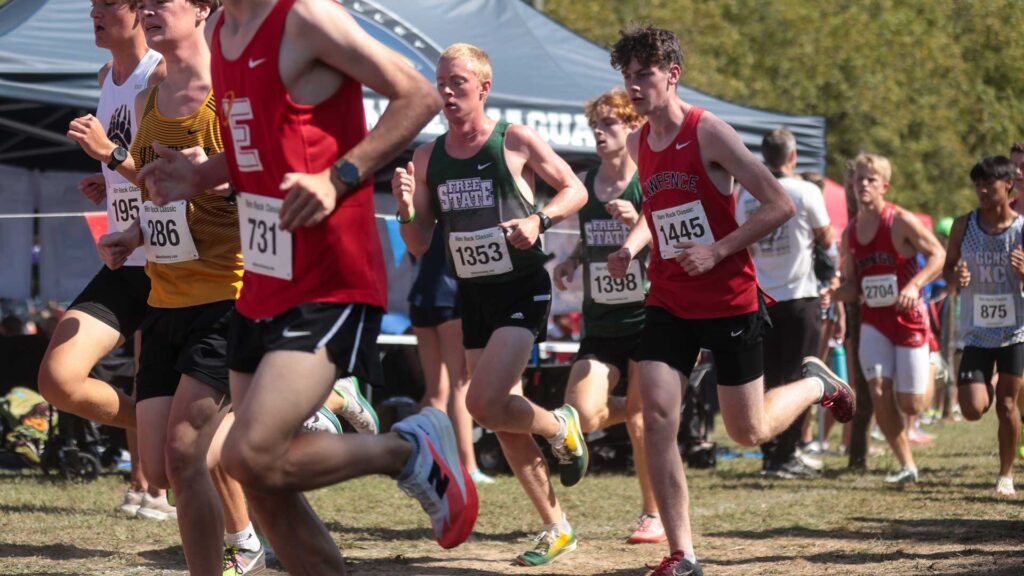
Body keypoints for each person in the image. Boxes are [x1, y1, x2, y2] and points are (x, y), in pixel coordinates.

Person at [138, 1, 477, 573]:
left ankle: (407, 448)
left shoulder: (305, 17)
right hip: (263, 277)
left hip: (330, 275)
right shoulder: (221, 31)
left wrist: (339, 176)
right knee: (261, 481)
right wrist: (198, 176)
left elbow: (416, 95)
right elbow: (257, 148)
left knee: (252, 453)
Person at [606, 25, 854, 576]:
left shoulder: (709, 132)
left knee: (749, 430)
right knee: (659, 417)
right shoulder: (636, 143)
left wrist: (717, 250)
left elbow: (777, 205)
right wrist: (630, 247)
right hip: (668, 299)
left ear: (672, 74)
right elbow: (659, 214)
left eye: (643, 75)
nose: (634, 87)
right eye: (627, 77)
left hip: (728, 297)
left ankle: (820, 384)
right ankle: (683, 553)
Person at [393, 43, 588, 566]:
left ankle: (557, 427)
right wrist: (406, 207)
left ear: (483, 87)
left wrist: (538, 221)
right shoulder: (428, 155)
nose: (448, 92)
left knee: (481, 403)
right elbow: (417, 243)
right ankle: (556, 525)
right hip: (473, 292)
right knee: (501, 417)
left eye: (458, 82)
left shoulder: (514, 140)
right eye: (441, 82)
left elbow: (574, 189)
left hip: (522, 287)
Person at [94, 1, 266, 573]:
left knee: (186, 452)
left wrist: (214, 182)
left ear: (201, 9)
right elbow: (158, 194)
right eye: (141, 5)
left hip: (225, 293)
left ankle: (313, 403)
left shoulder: (232, 96)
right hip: (162, 298)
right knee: (165, 470)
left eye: (160, 2)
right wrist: (133, 231)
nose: (147, 11)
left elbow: (270, 196)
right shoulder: (147, 102)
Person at [40, 0, 170, 518]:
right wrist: (110, 182)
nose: (93, 15)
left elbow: (183, 178)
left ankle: (159, 485)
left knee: (160, 376)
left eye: (106, 5)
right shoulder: (105, 75)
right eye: (90, 6)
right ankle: (163, 432)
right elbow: (133, 170)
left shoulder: (160, 73)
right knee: (59, 379)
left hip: (177, 257)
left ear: (140, 12)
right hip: (127, 255)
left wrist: (111, 156)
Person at [551, 88, 662, 544]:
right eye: (594, 124)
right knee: (583, 412)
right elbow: (589, 235)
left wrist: (638, 219)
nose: (598, 131)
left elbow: (669, 242)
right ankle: (644, 408)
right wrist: (573, 260)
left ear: (633, 127)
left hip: (647, 315)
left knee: (640, 423)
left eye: (608, 124)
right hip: (601, 319)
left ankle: (652, 514)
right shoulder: (586, 181)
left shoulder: (647, 179)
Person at [824, 153, 945, 485]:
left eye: (870, 180)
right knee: (877, 390)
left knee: (911, 403)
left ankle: (935, 362)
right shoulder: (850, 233)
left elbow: (938, 253)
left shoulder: (900, 221)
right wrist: (833, 293)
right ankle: (907, 464)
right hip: (874, 320)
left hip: (908, 319)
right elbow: (853, 286)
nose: (862, 184)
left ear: (884, 187)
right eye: (858, 179)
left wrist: (915, 284)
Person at [737, 128, 834, 479]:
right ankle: (787, 452)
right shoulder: (806, 190)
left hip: (760, 297)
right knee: (798, 377)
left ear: (765, 157)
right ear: (792, 157)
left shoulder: (746, 194)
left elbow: (742, 245)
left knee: (767, 376)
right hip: (800, 296)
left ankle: (770, 452)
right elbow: (826, 237)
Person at [943, 155, 1023, 496]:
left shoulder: (1022, 229)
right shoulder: (964, 225)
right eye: (978, 185)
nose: (983, 190)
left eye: (989, 184)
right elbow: (947, 270)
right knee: (973, 409)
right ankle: (985, 384)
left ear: (1009, 185)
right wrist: (956, 275)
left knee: (1007, 405)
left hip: (1015, 331)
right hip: (975, 330)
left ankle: (1006, 474)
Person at [408, 228, 494, 485]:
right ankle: (468, 467)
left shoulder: (427, 213)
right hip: (450, 299)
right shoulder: (460, 215)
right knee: (460, 385)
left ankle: (426, 461)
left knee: (436, 392)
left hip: (420, 298)